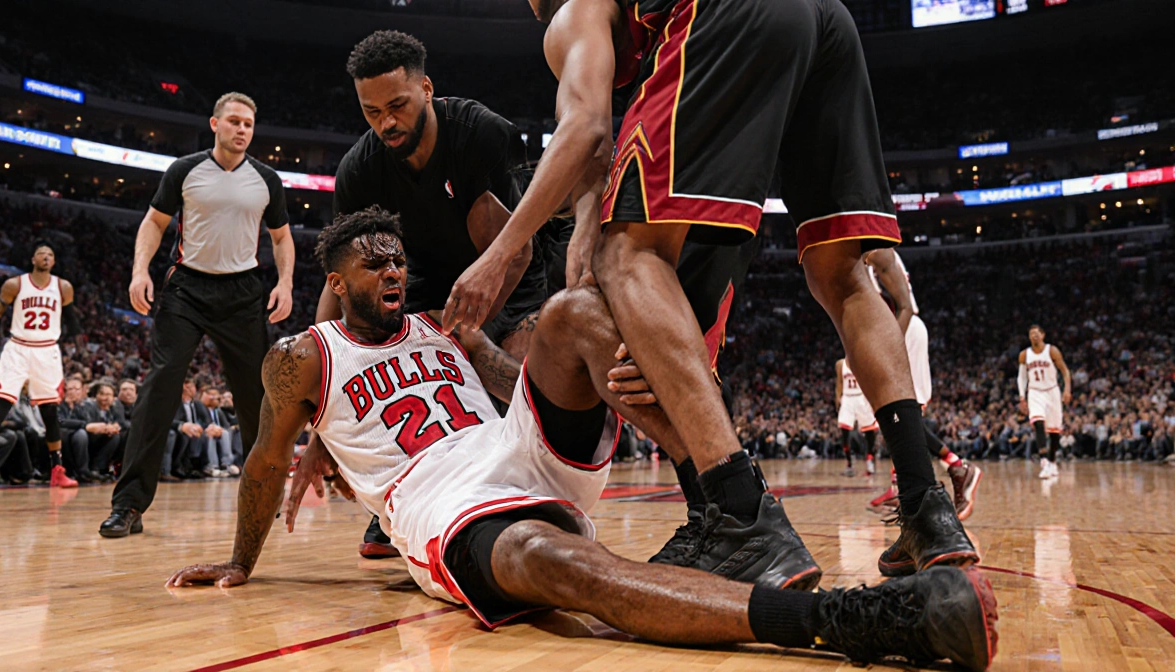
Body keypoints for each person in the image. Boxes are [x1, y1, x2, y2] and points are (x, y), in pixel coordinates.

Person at [168, 207, 999, 672]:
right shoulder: (302, 357)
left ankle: (727, 509)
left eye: (397, 259)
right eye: (373, 264)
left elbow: (509, 376)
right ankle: (848, 621)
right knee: (558, 567)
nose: (393, 271)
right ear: (337, 280)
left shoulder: (438, 325)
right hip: (438, 502)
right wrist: (242, 561)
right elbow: (266, 462)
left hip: (514, 448)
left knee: (571, 315)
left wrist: (612, 381)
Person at [440, 0, 976, 578]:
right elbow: (599, 154)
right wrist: (594, 222)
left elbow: (587, 129)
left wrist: (499, 256)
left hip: (727, 12)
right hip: (830, 20)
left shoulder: (570, 12)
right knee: (841, 275)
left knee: (628, 257)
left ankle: (739, 518)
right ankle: (927, 510)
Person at [316, 30, 551, 559]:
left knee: (506, 384)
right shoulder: (359, 170)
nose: (386, 123)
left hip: (507, 273)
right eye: (372, 112)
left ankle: (519, 499)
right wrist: (320, 372)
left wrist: (464, 341)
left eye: (397, 105)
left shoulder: (480, 133)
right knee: (390, 378)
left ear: (426, 87)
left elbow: (513, 252)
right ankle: (396, 505)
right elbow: (343, 281)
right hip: (426, 286)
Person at [100, 92, 294, 537]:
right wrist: (139, 271)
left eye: (248, 123)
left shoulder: (266, 179)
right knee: (160, 387)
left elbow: (281, 238)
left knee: (255, 400)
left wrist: (284, 283)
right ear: (215, 124)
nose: (242, 129)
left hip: (243, 291)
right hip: (187, 286)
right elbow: (154, 222)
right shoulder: (184, 170)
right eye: (234, 121)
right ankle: (129, 505)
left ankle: (264, 495)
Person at [865, 249, 982, 524]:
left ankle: (957, 466)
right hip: (895, 333)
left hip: (902, 331)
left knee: (902, 413)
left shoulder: (875, 250)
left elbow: (905, 305)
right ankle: (901, 487)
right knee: (891, 416)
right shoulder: (864, 255)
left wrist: (890, 345)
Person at [0, 242, 79, 489]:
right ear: (33, 259)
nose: (46, 257)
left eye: (51, 254)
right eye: (42, 253)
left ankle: (57, 470)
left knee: (50, 412)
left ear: (54, 262)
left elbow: (73, 323)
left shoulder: (63, 287)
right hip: (18, 348)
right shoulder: (16, 284)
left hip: (47, 350)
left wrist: (74, 350)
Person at [1018, 325, 1072, 480]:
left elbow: (1065, 370)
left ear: (1043, 335)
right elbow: (1022, 377)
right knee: (1038, 423)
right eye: (1031, 334)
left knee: (1055, 431)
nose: (1034, 336)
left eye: (1037, 333)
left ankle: (1052, 461)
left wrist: (1067, 389)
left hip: (1052, 391)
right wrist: (1022, 397)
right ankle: (1044, 461)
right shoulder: (1024, 355)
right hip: (1035, 391)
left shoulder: (1052, 350)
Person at [835, 358, 878, 478]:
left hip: (861, 397)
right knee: (844, 431)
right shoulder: (840, 364)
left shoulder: (863, 360)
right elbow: (839, 382)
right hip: (847, 398)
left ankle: (870, 460)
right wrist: (838, 397)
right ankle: (849, 463)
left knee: (870, 431)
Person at [82, 380, 125, 480]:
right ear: (96, 395)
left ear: (114, 397)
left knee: (120, 436)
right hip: (90, 438)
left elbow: (122, 423)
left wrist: (115, 427)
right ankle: (94, 469)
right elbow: (88, 424)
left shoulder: (116, 407)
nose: (105, 397)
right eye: (102, 394)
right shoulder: (89, 405)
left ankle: (107, 469)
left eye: (108, 394)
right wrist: (105, 428)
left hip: (107, 438)